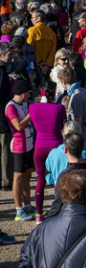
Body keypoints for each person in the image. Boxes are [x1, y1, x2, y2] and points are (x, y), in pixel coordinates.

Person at [30, 84, 66, 223]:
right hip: (55, 147)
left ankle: (39, 214)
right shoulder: (59, 108)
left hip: (39, 147)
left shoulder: (33, 107)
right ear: (54, 91)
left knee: (40, 180)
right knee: (58, 179)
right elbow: (63, 125)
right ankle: (60, 211)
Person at [7, 80, 35, 221]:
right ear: (22, 93)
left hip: (29, 143)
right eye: (28, 93)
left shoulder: (24, 103)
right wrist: (31, 114)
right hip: (19, 146)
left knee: (27, 176)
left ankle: (28, 205)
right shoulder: (10, 107)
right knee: (18, 178)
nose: (30, 95)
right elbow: (18, 126)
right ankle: (19, 210)